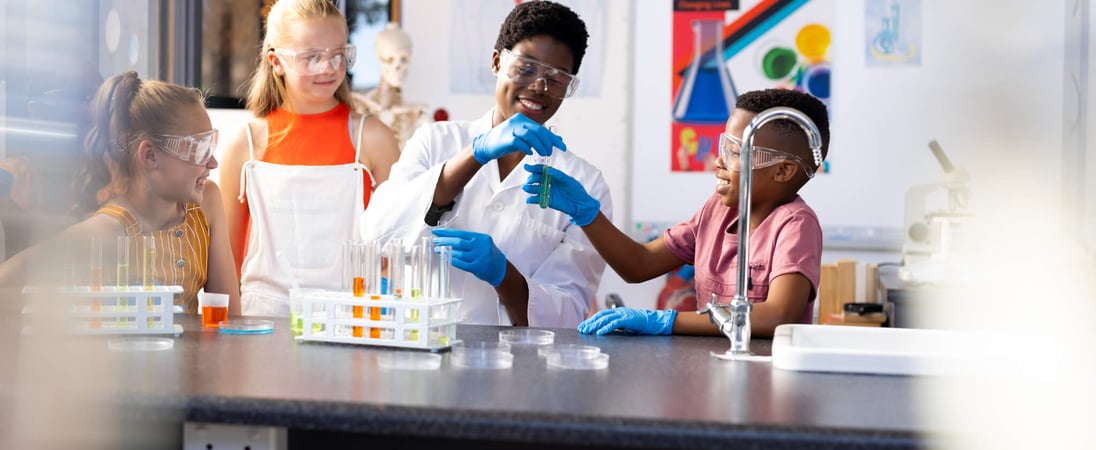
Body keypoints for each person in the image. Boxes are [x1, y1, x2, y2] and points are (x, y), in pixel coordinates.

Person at [361, 1, 611, 327]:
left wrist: (504, 275)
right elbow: (376, 235)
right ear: (497, 62)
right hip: (419, 353)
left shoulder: (585, 185)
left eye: (557, 77)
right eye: (526, 68)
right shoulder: (434, 142)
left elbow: (568, 313)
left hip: (515, 369)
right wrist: (472, 157)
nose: (539, 86)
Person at [525, 88, 829, 338]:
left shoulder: (795, 225)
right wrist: (587, 213)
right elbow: (639, 265)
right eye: (725, 147)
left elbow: (778, 315)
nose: (718, 163)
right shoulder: (717, 211)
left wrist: (669, 321)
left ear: (783, 170)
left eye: (736, 152)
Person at [0, 71, 241, 314]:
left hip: (200, 353)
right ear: (150, 155)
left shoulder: (206, 201)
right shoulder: (106, 227)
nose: (212, 163)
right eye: (198, 148)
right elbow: (7, 280)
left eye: (211, 144)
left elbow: (230, 317)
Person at [218, 0, 401, 316]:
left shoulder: (373, 140)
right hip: (263, 325)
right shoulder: (245, 145)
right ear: (276, 62)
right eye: (312, 57)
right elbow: (225, 260)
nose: (328, 68)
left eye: (338, 55)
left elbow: (397, 251)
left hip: (352, 324)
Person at [353, 22, 427, 149]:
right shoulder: (359, 105)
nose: (397, 67)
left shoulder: (416, 113)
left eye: (404, 59)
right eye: (390, 59)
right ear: (380, 59)